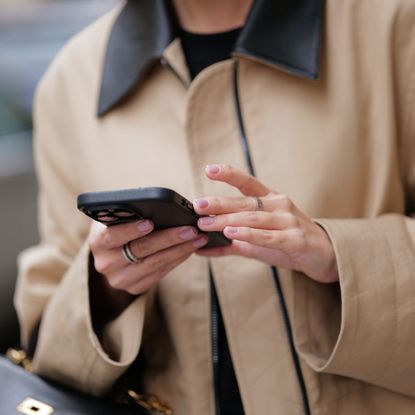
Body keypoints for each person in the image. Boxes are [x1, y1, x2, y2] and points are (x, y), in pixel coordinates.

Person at [14, 0, 415, 413]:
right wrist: (104, 290)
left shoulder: (395, 25)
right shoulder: (72, 81)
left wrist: (337, 257)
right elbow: (46, 351)